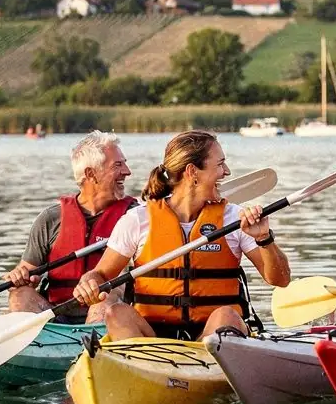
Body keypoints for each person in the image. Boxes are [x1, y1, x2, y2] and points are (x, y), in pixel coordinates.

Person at [73, 130, 291, 340]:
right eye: (220, 164)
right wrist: (89, 283)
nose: (226, 172)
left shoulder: (234, 218)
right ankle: (144, 361)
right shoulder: (138, 219)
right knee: (116, 313)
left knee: (227, 316)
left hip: (212, 338)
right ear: (192, 171)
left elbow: (280, 279)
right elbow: (100, 275)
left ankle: (207, 356)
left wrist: (264, 239)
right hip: (152, 338)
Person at [6, 131, 136, 324]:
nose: (127, 171)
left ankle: (95, 337)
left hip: (109, 314)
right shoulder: (50, 219)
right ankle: (41, 338)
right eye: (117, 165)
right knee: (19, 295)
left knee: (106, 292)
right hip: (55, 316)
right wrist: (19, 277)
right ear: (91, 174)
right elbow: (27, 271)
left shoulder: (135, 217)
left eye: (124, 163)